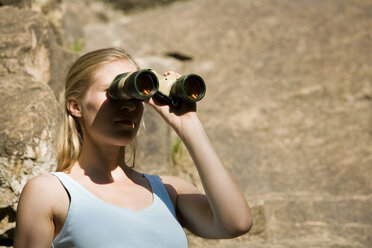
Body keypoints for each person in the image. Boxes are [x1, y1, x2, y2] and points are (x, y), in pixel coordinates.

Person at [13, 47, 252, 247]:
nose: (128, 105)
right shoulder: (51, 192)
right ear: (75, 106)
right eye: (115, 91)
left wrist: (188, 123)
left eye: (134, 95)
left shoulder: (169, 191)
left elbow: (236, 223)